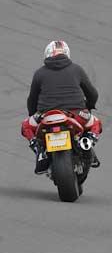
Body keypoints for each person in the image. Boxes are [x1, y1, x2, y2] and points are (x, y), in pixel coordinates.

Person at [21, 40, 102, 174]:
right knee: (96, 124)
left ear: (46, 54)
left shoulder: (39, 73)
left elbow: (32, 99)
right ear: (67, 53)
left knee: (26, 126)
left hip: (45, 115)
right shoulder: (77, 69)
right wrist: (89, 106)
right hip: (76, 113)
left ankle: (40, 151)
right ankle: (86, 143)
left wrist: (32, 114)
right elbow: (93, 93)